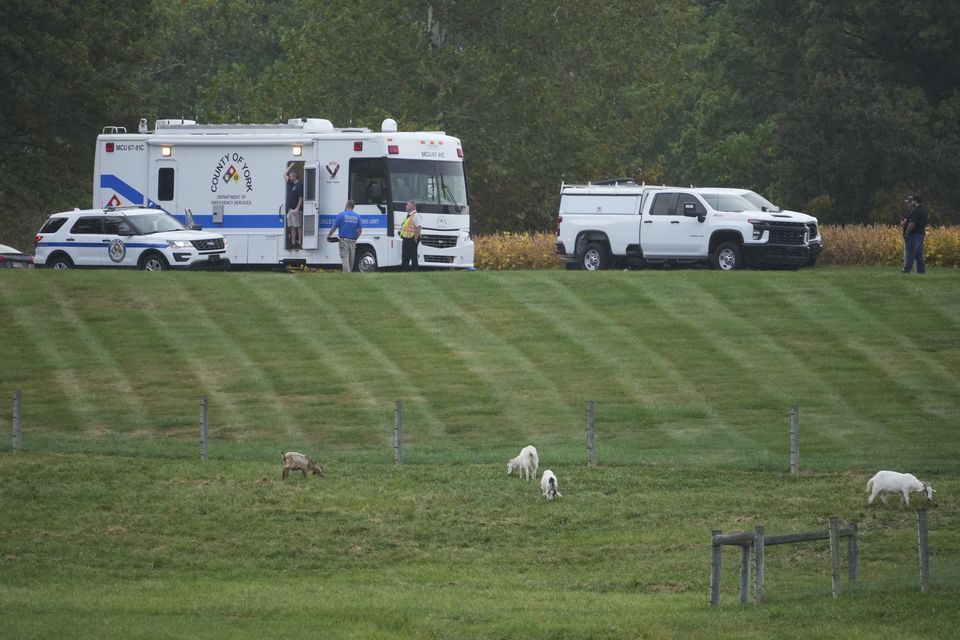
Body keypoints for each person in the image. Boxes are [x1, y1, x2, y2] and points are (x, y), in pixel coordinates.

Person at [327, 199, 362, 272]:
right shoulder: (357, 217)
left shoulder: (341, 215)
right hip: (352, 241)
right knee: (351, 260)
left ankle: (347, 274)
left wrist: (328, 236)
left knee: (345, 257)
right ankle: (349, 273)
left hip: (343, 241)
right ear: (353, 207)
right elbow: (359, 230)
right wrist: (355, 239)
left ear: (346, 205)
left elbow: (334, 227)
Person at [902, 195, 927, 274]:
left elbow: (912, 223)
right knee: (919, 254)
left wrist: (907, 232)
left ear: (915, 201)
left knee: (910, 252)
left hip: (913, 234)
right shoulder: (924, 210)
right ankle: (921, 270)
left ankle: (907, 270)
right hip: (921, 233)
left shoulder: (916, 210)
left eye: (913, 201)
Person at [398, 200, 422, 271]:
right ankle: (404, 271)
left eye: (407, 205)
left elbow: (419, 227)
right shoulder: (409, 215)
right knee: (405, 256)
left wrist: (415, 238)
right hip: (406, 239)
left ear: (412, 207)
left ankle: (415, 271)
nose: (406, 206)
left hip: (412, 239)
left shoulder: (415, 216)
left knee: (413, 256)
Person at [285, 168, 304, 249]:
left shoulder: (299, 185)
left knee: (298, 227)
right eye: (289, 177)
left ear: (295, 176)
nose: (289, 178)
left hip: (297, 210)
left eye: (291, 176)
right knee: (292, 227)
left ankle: (300, 242)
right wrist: (291, 166)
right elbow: (284, 175)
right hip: (290, 210)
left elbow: (301, 198)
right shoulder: (290, 183)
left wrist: (297, 209)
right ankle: (293, 242)